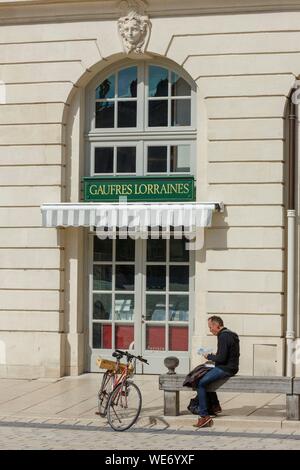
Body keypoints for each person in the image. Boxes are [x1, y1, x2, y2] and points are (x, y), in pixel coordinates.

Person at [193, 315, 240, 428]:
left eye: (210, 327)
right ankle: (215, 406)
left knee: (200, 383)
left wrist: (208, 356)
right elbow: (225, 355)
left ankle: (204, 416)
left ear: (216, 325)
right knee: (206, 376)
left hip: (226, 368)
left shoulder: (223, 336)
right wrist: (215, 356)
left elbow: (222, 359)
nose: (210, 330)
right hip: (231, 366)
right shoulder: (231, 334)